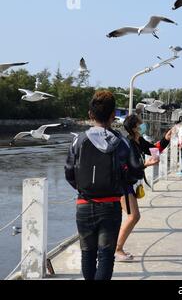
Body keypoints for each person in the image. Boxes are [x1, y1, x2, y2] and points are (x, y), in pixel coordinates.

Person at [64, 91, 143, 280]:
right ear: (113, 115)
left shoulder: (79, 140)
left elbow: (69, 173)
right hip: (111, 206)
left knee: (88, 254)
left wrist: (84, 189)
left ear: (91, 114)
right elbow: (136, 172)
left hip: (84, 205)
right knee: (106, 256)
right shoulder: (122, 142)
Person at [115, 114, 173, 261]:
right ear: (134, 127)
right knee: (133, 216)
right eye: (140, 124)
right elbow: (134, 164)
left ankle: (115, 248)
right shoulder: (128, 143)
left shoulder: (138, 140)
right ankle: (117, 249)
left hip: (128, 183)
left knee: (129, 216)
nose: (143, 125)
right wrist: (146, 164)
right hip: (122, 185)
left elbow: (153, 149)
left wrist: (166, 139)